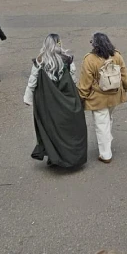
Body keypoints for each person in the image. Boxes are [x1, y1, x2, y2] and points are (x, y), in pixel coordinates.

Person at [24, 34, 87, 169]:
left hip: (48, 102)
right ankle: (71, 158)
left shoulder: (40, 61)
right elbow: (73, 79)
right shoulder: (67, 60)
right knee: (68, 130)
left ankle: (54, 157)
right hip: (67, 99)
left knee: (51, 129)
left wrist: (27, 98)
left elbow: (32, 81)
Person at [78, 33, 127, 164]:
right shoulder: (116, 55)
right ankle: (107, 140)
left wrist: (82, 97)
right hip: (114, 96)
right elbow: (125, 75)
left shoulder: (89, 59)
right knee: (108, 118)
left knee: (101, 124)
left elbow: (85, 82)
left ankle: (106, 154)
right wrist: (125, 87)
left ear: (94, 44)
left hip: (98, 98)